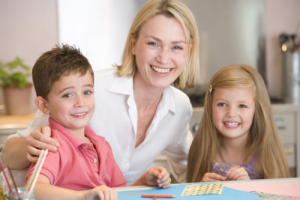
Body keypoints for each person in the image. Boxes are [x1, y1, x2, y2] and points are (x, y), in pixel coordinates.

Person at [2, 0, 199, 186]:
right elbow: (8, 156)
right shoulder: (88, 91)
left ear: (188, 52)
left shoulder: (180, 108)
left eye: (176, 47)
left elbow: (188, 169)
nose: (163, 58)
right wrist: (31, 145)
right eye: (153, 43)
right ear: (133, 44)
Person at [26, 44, 125, 200]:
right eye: (67, 95)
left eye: (87, 92)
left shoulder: (102, 145)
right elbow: (33, 189)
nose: (81, 102)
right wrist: (83, 196)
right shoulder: (53, 145)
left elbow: (120, 193)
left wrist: (145, 182)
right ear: (44, 105)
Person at [186, 65, 291, 183]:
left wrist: (248, 187)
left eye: (242, 106)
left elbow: (279, 195)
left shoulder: (267, 153)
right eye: (222, 104)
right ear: (210, 106)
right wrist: (200, 188)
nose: (231, 113)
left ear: (257, 110)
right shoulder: (201, 149)